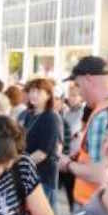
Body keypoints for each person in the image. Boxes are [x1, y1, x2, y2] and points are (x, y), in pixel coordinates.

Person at [59, 56, 108, 208]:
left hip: (94, 205)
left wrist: (67, 164)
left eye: (78, 85)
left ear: (89, 80)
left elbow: (98, 174)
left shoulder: (102, 115)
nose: (79, 92)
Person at [20, 77, 64, 206]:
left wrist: (20, 165)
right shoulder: (29, 114)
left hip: (43, 177)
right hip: (29, 175)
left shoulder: (51, 118)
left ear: (48, 95)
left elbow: (42, 153)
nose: (33, 95)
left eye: (38, 92)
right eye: (31, 91)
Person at [59, 82, 85, 211]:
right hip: (65, 156)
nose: (72, 98)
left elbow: (79, 134)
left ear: (81, 97)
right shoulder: (67, 112)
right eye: (70, 95)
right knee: (68, 193)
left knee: (73, 193)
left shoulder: (83, 113)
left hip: (76, 157)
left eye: (75, 95)